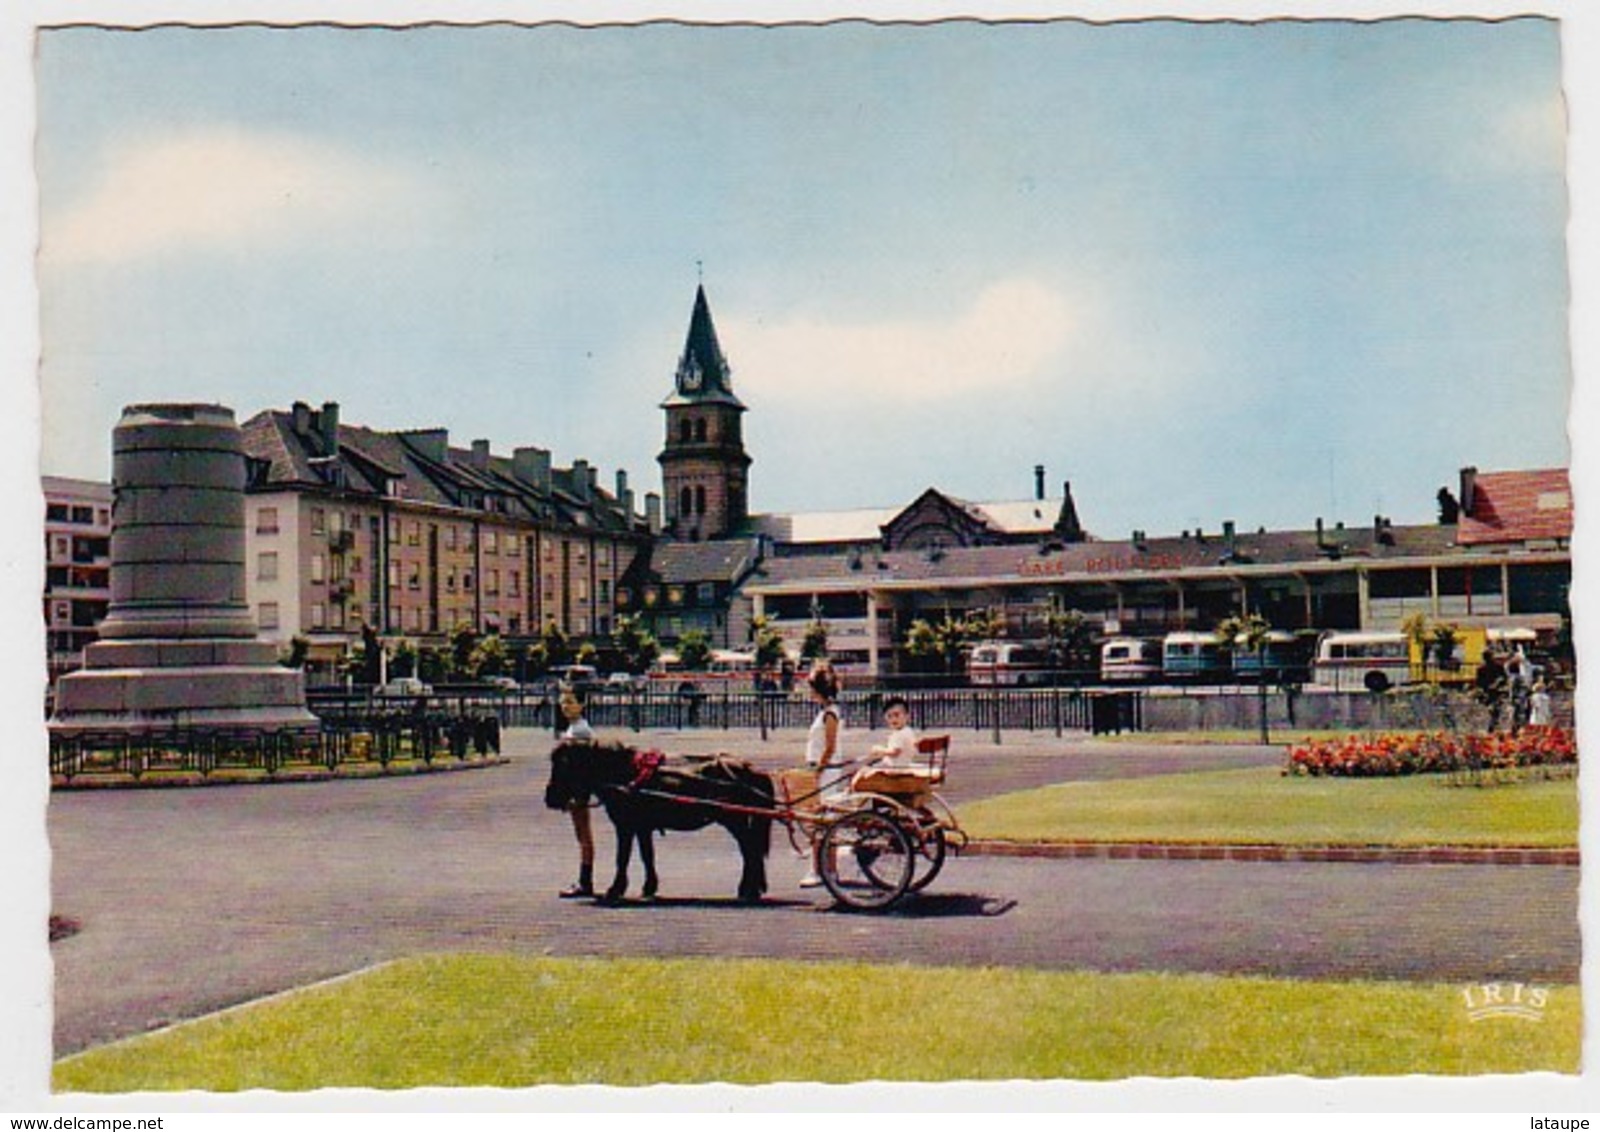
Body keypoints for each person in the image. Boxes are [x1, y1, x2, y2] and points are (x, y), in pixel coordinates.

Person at [799, 662, 844, 888]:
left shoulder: (829, 715)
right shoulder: (827, 713)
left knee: (821, 822)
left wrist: (817, 770)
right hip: (823, 770)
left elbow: (830, 747)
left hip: (826, 773)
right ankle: (825, 869)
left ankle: (821, 870)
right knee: (822, 822)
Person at [556, 686, 597, 898]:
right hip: (577, 789)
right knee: (581, 834)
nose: (565, 706)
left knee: (583, 834)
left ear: (582, 705)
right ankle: (585, 878)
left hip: (579, 790)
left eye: (570, 702)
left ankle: (585, 880)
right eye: (563, 702)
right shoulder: (575, 728)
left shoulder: (580, 731)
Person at [869, 695, 919, 768]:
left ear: (907, 716)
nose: (893, 719)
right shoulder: (908, 731)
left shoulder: (899, 734)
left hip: (895, 767)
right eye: (889, 716)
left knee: (863, 772)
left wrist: (879, 750)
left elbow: (895, 752)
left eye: (897, 715)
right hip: (904, 764)